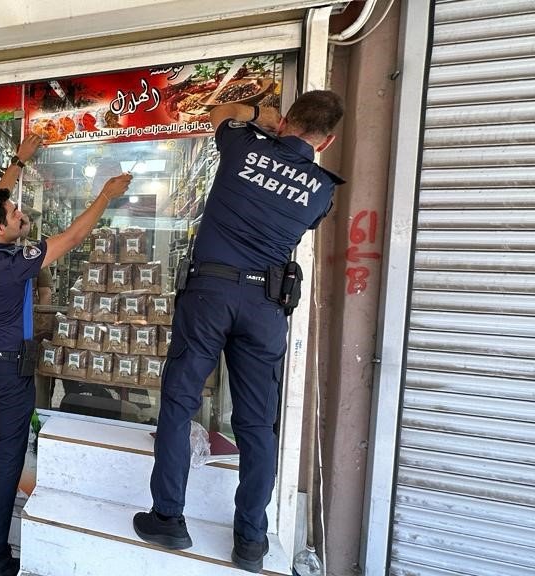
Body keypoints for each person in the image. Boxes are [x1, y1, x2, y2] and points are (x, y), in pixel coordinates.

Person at [132, 90, 344, 574]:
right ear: (327, 140)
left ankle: (169, 516)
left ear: (285, 120)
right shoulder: (322, 187)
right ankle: (250, 540)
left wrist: (257, 116)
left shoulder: (245, 145)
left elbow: (217, 113)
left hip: (210, 293)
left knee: (180, 403)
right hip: (265, 306)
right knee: (256, 424)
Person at [0, 133, 132, 575]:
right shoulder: (15, 262)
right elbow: (74, 235)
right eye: (14, 214)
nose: (19, 212)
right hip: (10, 373)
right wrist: (105, 194)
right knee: (10, 454)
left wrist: (18, 160)